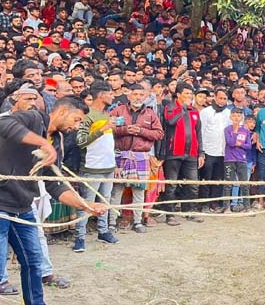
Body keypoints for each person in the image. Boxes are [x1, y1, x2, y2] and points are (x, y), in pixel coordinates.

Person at [0, 96, 107, 305]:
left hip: (22, 205)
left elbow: (54, 184)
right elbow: (1, 124)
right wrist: (42, 143)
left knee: (34, 262)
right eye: (76, 119)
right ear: (62, 111)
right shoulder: (34, 118)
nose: (76, 126)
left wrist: (86, 205)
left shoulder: (58, 142)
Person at [108, 83, 164, 234]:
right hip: (121, 155)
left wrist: (141, 131)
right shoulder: (118, 110)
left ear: (145, 96)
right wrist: (125, 130)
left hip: (141, 157)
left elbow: (159, 134)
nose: (138, 97)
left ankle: (138, 222)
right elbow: (107, 128)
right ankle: (112, 223)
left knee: (139, 191)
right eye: (135, 94)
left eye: (141, 95)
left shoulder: (150, 114)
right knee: (116, 191)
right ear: (128, 95)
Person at [73, 81, 119, 252]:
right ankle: (80, 237)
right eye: (110, 93)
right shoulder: (86, 115)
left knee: (105, 202)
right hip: (91, 168)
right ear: (102, 95)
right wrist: (103, 129)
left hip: (108, 167)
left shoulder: (107, 114)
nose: (113, 96)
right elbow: (80, 141)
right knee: (87, 204)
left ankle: (103, 231)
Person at [159, 83, 205, 226]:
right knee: (171, 185)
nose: (189, 97)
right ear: (178, 95)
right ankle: (170, 215)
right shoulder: (170, 108)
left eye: (191, 94)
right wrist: (183, 109)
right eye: (186, 94)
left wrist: (201, 153)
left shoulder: (195, 111)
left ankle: (189, 211)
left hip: (191, 153)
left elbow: (198, 134)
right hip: (173, 153)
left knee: (192, 184)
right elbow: (170, 121)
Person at [198, 88, 230, 212]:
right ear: (215, 97)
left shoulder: (228, 113)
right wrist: (202, 151)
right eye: (220, 98)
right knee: (206, 178)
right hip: (208, 150)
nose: (222, 101)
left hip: (223, 152)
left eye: (225, 98)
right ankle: (204, 203)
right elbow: (201, 131)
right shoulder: (206, 112)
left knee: (218, 179)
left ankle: (214, 203)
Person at [224, 107, 252, 213]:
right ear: (231, 117)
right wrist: (235, 132)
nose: (236, 118)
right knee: (228, 184)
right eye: (234, 115)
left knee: (244, 184)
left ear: (242, 117)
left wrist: (239, 144)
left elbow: (248, 146)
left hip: (242, 160)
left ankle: (247, 207)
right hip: (229, 159)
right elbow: (230, 143)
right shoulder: (227, 129)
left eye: (239, 116)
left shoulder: (245, 131)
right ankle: (226, 207)